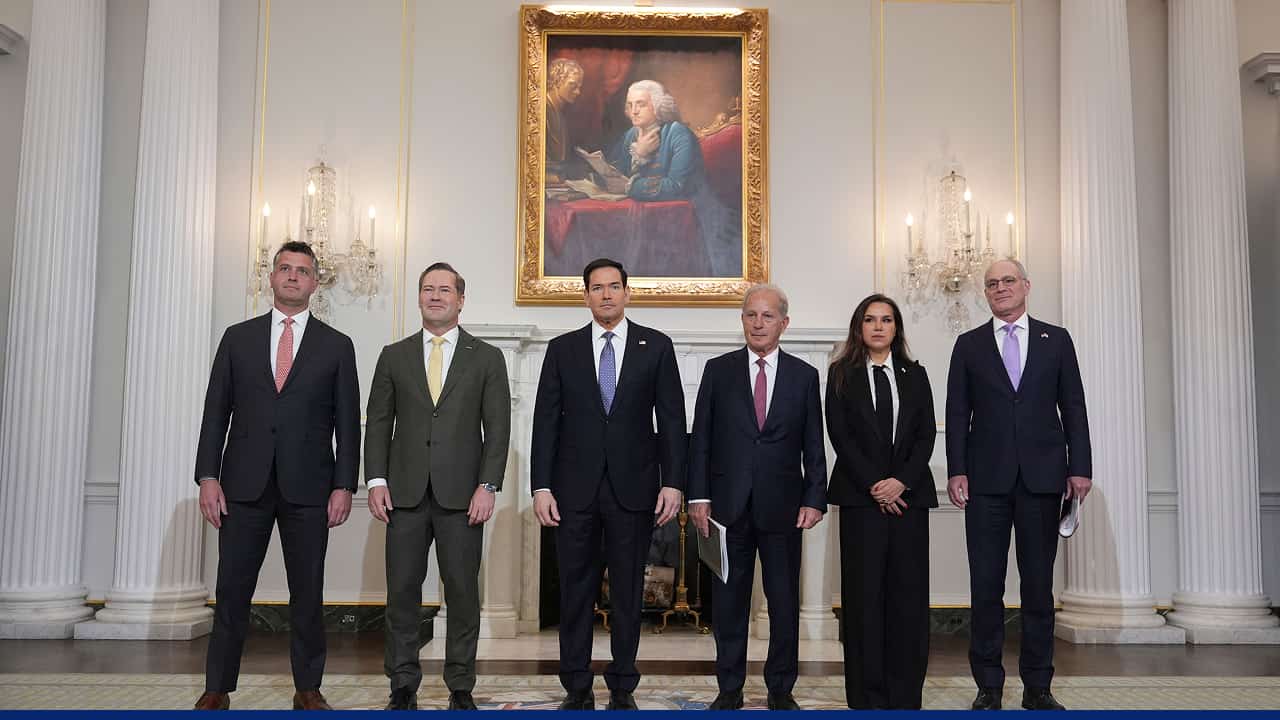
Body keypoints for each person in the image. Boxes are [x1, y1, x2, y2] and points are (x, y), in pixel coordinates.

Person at [192, 240, 360, 711]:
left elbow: (348, 424)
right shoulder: (237, 338)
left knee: (307, 592)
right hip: (241, 485)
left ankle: (308, 688)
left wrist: (344, 485)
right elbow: (215, 413)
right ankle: (217, 687)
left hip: (310, 488)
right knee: (232, 590)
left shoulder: (337, 346)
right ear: (271, 277)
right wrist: (207, 476)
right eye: (285, 268)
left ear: (315, 282)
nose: (292, 276)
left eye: (302, 271)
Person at [530, 257, 688, 710]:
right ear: (585, 296)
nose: (606, 294)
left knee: (627, 593)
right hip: (572, 492)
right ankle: (576, 685)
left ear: (627, 292)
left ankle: (622, 685)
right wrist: (541, 486)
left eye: (614, 286)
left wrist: (673, 483)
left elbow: (672, 421)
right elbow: (545, 423)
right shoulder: (562, 349)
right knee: (575, 592)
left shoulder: (656, 346)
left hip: (634, 490)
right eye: (597, 288)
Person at [945, 258, 1092, 711]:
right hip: (985, 481)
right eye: (992, 284)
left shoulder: (1056, 340)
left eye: (1008, 281)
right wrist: (956, 469)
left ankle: (1038, 687)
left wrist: (1080, 467)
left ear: (1026, 285)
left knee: (1038, 588)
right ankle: (988, 686)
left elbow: (1074, 406)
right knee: (985, 587)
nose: (1000, 288)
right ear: (985, 293)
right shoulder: (968, 344)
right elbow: (956, 412)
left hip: (1042, 480)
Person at [364, 262, 511, 711]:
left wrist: (488, 485)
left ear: (460, 300)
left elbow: (497, 429)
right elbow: (378, 423)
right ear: (419, 297)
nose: (435, 296)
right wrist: (376, 480)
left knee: (463, 593)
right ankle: (402, 684)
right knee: (402, 593)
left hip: (464, 497)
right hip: (404, 495)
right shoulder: (394, 355)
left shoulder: (486, 357)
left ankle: (461, 685)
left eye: (444, 290)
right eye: (428, 289)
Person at [687, 283, 827, 711]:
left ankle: (780, 689)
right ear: (742, 320)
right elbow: (701, 440)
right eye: (751, 315)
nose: (758, 323)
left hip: (784, 507)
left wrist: (814, 498)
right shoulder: (718, 370)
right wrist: (698, 496)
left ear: (784, 323)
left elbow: (813, 445)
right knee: (728, 604)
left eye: (767, 316)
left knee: (783, 604)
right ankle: (729, 688)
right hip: (726, 507)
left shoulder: (804, 376)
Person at [825, 293, 936, 709]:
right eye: (870, 319)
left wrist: (900, 482)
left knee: (907, 601)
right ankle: (866, 698)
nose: (878, 326)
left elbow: (926, 434)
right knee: (863, 601)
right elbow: (840, 435)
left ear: (896, 328)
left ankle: (904, 696)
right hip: (861, 500)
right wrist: (876, 484)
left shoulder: (915, 374)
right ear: (859, 327)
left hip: (909, 501)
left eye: (886, 320)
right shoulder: (841, 374)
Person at [603, 79, 739, 277]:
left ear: (658, 106)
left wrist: (630, 187)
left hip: (695, 218)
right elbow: (616, 173)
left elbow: (676, 186)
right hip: (650, 218)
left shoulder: (678, 134)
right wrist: (638, 154)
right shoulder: (630, 135)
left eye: (641, 104)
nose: (634, 111)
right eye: (630, 105)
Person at [546, 57, 585, 184]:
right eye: (572, 85)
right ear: (557, 80)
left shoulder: (559, 114)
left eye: (579, 87)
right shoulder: (541, 110)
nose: (577, 92)